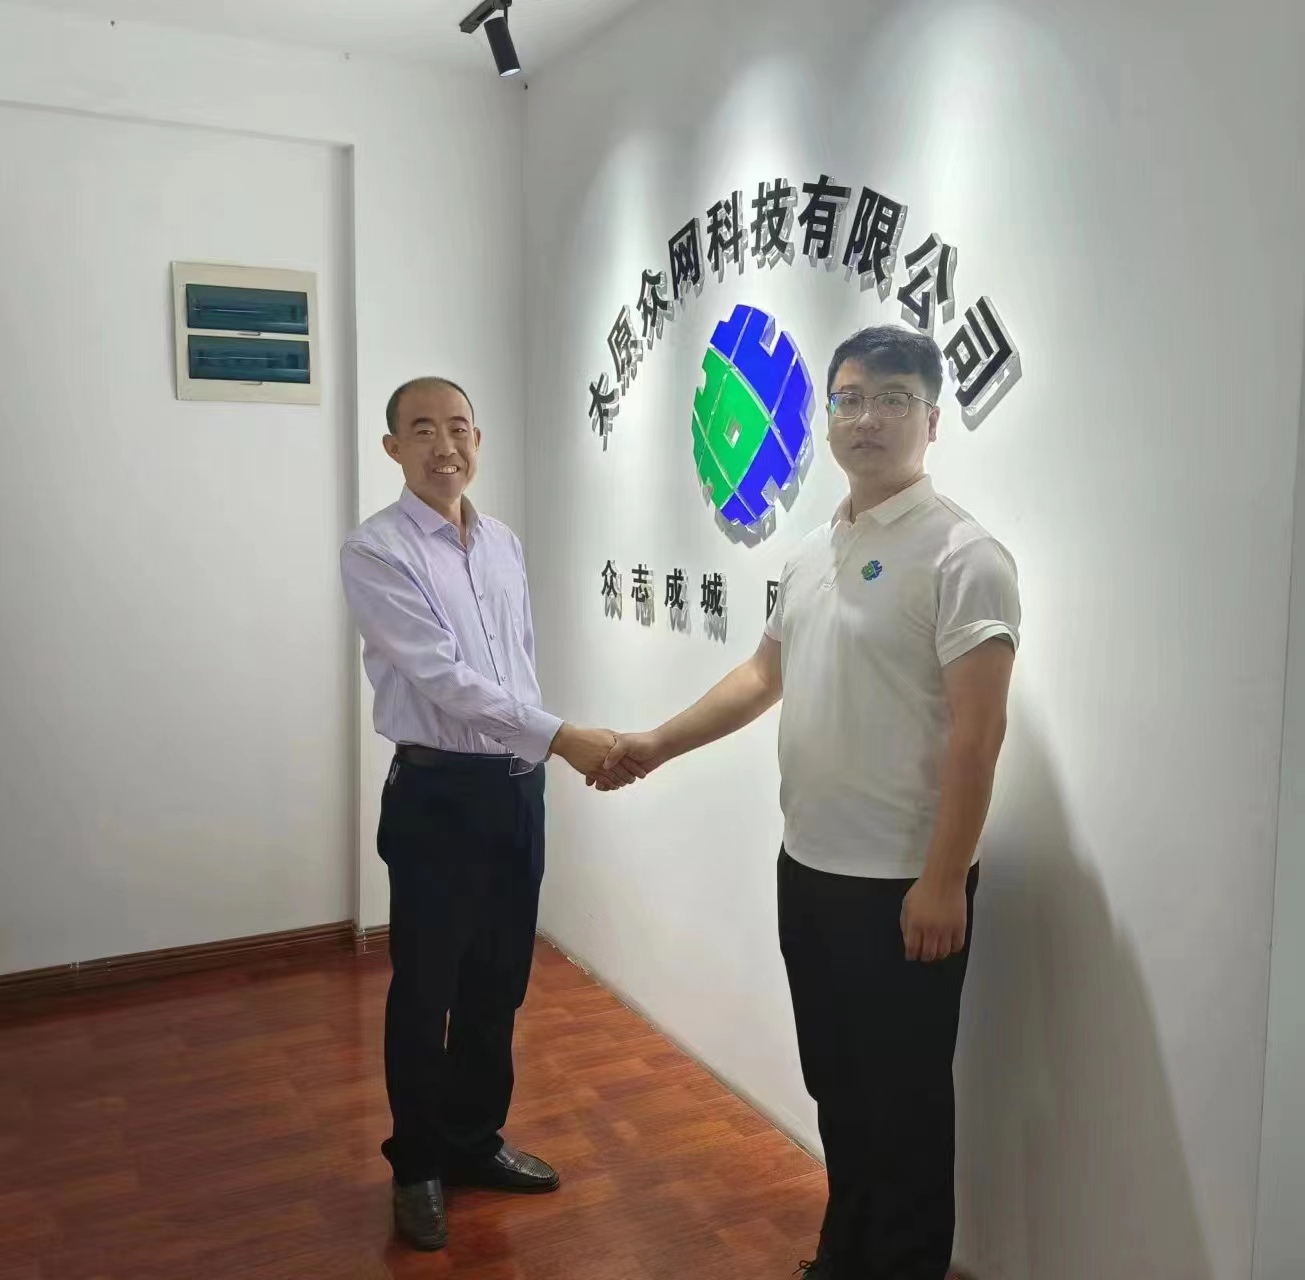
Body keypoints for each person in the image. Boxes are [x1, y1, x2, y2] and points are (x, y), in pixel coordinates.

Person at [598, 327, 1020, 1280]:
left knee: (904, 1106)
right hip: (810, 868)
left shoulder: (964, 557)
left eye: (893, 400)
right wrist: (656, 744)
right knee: (838, 1087)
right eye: (849, 399)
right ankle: (844, 1256)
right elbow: (762, 676)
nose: (867, 419)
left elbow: (978, 733)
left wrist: (942, 879)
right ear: (826, 415)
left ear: (932, 420)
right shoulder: (811, 552)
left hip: (903, 884)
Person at [340, 376, 632, 1253]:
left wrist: (541, 750)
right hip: (437, 796)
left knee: (498, 981)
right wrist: (564, 737)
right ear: (392, 447)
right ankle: (416, 1165)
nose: (445, 446)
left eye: (459, 428)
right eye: (422, 429)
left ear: (478, 438)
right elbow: (443, 679)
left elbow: (517, 668)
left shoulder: (501, 543)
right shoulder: (377, 550)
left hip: (514, 788)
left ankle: (472, 1139)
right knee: (425, 989)